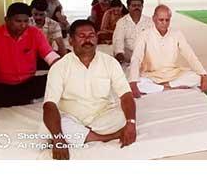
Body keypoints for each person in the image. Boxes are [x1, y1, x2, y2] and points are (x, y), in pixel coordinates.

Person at [42, 20, 137, 160]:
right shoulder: (60, 67)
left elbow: (126, 95)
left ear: (96, 38)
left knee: (124, 117)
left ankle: (83, 136)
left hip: (102, 115)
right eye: (82, 36)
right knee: (48, 126)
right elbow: (49, 104)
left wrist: (131, 123)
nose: (87, 40)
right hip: (72, 117)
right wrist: (58, 139)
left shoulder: (110, 62)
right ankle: (108, 136)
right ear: (71, 41)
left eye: (91, 35)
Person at [0, 3, 60, 117]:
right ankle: (21, 99)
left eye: (26, 21)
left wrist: (65, 73)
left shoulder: (35, 33)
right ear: (6, 20)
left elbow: (51, 57)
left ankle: (16, 99)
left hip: (28, 84)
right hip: (2, 86)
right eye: (18, 21)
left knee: (53, 79)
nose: (23, 25)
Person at [129, 5, 207, 97]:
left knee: (196, 77)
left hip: (173, 74)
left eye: (167, 20)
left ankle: (163, 87)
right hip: (151, 75)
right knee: (138, 83)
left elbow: (190, 55)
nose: (164, 23)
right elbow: (136, 58)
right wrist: (133, 82)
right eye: (161, 20)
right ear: (154, 19)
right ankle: (170, 87)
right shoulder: (144, 35)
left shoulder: (177, 34)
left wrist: (204, 75)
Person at [113, 0, 154, 64]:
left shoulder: (150, 22)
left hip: (146, 56)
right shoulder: (121, 22)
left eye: (139, 5)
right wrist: (121, 57)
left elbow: (154, 41)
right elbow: (118, 43)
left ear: (142, 7)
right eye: (134, 6)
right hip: (128, 58)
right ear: (128, 7)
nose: (136, 8)